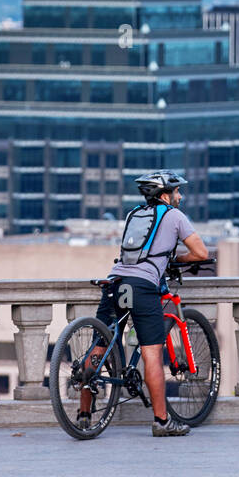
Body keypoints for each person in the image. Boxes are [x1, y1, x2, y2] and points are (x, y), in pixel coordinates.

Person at [85, 170, 209, 437]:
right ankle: (162, 421)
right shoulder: (175, 216)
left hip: (116, 280)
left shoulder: (134, 215)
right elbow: (201, 252)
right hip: (144, 286)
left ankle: (83, 416)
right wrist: (177, 259)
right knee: (152, 352)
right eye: (176, 191)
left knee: (101, 344)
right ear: (165, 195)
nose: (180, 195)